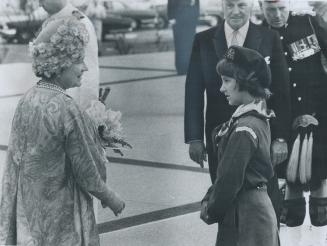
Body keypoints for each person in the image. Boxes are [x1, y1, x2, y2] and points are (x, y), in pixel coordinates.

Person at [0, 16, 124, 246]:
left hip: (29, 214)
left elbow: (13, 163)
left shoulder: (27, 99)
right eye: (78, 60)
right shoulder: (67, 108)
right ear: (60, 63)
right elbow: (86, 169)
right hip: (61, 215)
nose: (84, 67)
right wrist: (111, 198)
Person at [184, 0, 291, 223]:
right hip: (218, 135)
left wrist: (280, 137)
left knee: (262, 202)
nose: (235, 11)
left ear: (252, 6)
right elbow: (193, 91)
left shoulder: (269, 37)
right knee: (224, 191)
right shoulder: (203, 40)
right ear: (222, 5)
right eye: (230, 5)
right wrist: (194, 138)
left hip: (258, 135)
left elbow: (281, 90)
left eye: (241, 5)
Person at [201, 45, 279, 246]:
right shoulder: (254, 119)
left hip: (247, 216)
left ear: (246, 82)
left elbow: (229, 178)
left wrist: (211, 208)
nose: (221, 88)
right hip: (249, 211)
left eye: (227, 81)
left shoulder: (245, 127)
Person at [260, 0, 327, 230]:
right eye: (270, 10)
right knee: (291, 211)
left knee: (321, 205)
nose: (277, 15)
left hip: (319, 110)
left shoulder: (308, 23)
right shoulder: (259, 35)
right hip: (283, 117)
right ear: (261, 8)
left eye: (281, 8)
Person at [39, 0, 100, 111]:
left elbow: (88, 69)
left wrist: (85, 107)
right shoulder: (51, 20)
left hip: (73, 98)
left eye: (41, 0)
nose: (40, 4)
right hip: (55, 97)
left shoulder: (80, 22)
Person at [167, 0, 200, 75]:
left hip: (191, 18)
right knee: (180, 44)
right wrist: (171, 17)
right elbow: (171, 2)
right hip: (179, 18)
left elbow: (197, 3)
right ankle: (181, 68)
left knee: (190, 44)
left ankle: (190, 67)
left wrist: (196, 15)